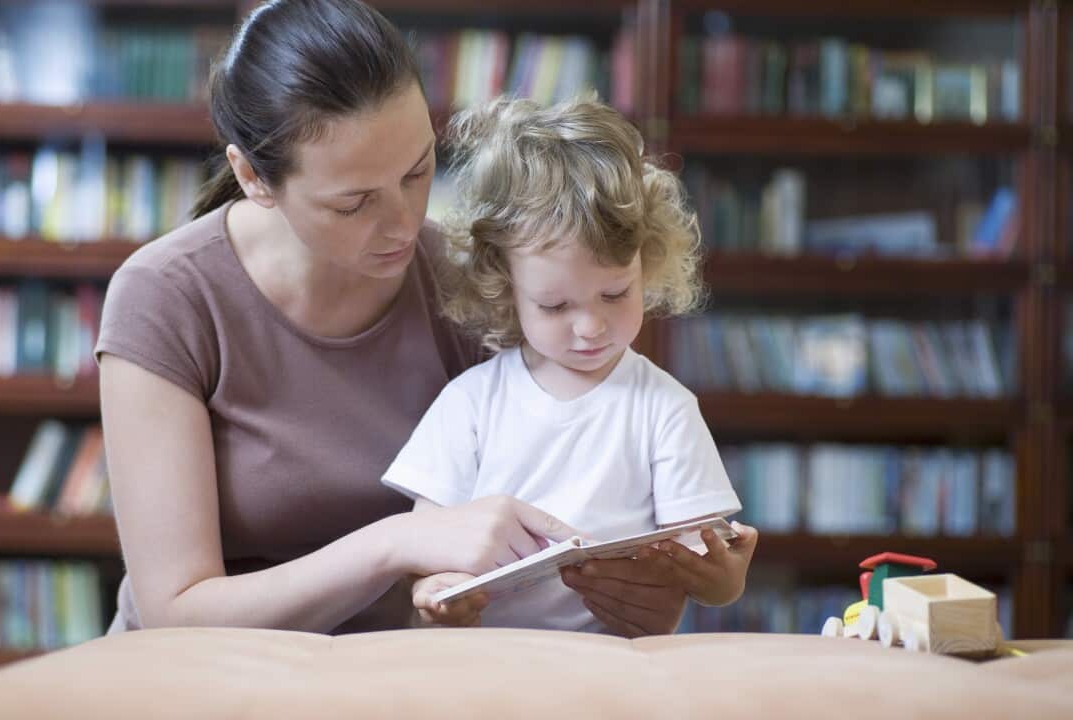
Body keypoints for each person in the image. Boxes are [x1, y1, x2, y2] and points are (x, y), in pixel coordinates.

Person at [96, 0, 689, 637]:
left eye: (418, 172)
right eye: (354, 203)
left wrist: (632, 594)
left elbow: (545, 512)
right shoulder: (164, 298)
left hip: (402, 672)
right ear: (252, 177)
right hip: (203, 679)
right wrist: (397, 543)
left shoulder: (468, 279)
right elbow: (174, 611)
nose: (405, 223)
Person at [381, 95, 758, 634]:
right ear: (503, 286)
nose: (590, 327)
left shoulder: (664, 408)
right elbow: (423, 552)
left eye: (614, 293)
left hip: (616, 665)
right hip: (489, 660)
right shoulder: (471, 402)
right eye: (555, 306)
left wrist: (724, 578)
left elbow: (710, 578)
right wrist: (434, 591)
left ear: (646, 264)